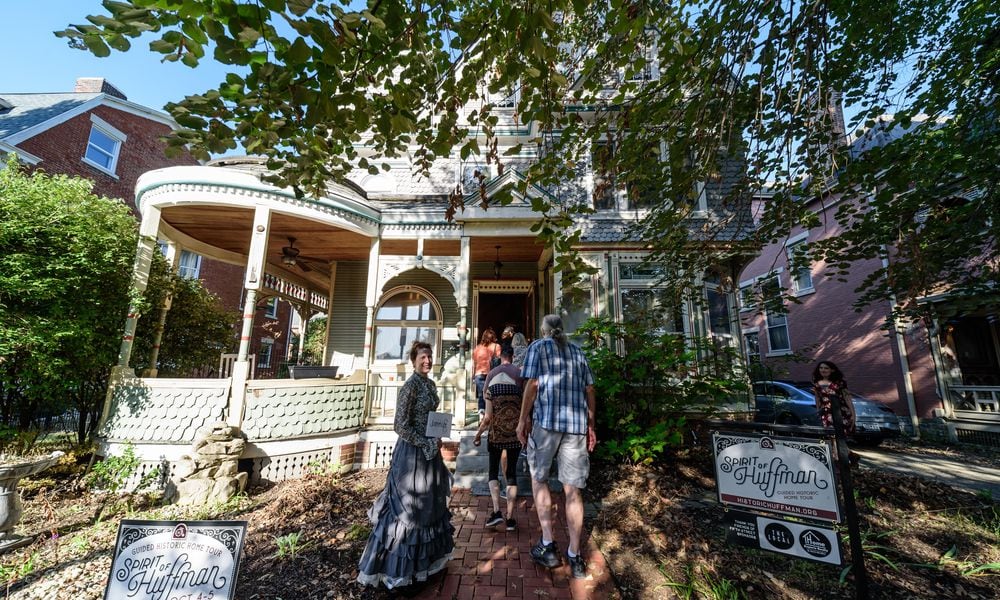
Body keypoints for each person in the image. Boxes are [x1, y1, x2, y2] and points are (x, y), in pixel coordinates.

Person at [357, 341, 454, 592]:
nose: (427, 361)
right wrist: (424, 442)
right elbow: (400, 425)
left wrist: (437, 435)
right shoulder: (410, 386)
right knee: (409, 508)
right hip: (412, 453)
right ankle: (399, 573)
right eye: (423, 356)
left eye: (430, 356)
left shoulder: (430, 384)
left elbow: (430, 418)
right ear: (413, 360)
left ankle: (427, 565)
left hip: (429, 452)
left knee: (429, 505)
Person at [516, 314, 597, 580]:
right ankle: (575, 556)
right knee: (572, 490)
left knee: (539, 479)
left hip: (547, 423)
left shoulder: (538, 347)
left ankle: (549, 545)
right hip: (575, 426)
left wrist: (522, 420)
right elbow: (589, 390)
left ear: (544, 330)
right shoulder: (577, 351)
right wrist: (590, 425)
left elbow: (533, 384)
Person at [473, 346, 524, 531]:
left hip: (495, 434)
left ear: (500, 356)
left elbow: (487, 417)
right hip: (514, 434)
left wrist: (478, 435)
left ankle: (496, 512)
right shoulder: (520, 375)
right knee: (511, 474)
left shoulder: (492, 376)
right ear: (513, 356)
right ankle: (510, 519)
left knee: (493, 472)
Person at [812, 360, 859, 467]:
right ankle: (846, 458)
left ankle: (840, 460)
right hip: (826, 413)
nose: (823, 370)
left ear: (832, 370)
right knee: (832, 436)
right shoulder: (817, 384)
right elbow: (818, 400)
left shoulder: (840, 383)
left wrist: (853, 414)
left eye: (826, 368)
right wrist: (818, 411)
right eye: (821, 368)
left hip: (840, 412)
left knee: (838, 436)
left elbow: (848, 398)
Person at [472, 328, 500, 417]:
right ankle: (491, 415)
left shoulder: (478, 347)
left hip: (479, 373)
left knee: (481, 394)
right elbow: (499, 361)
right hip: (492, 374)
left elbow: (474, 363)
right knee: (492, 395)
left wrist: (473, 376)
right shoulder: (497, 346)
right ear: (493, 337)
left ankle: (481, 415)